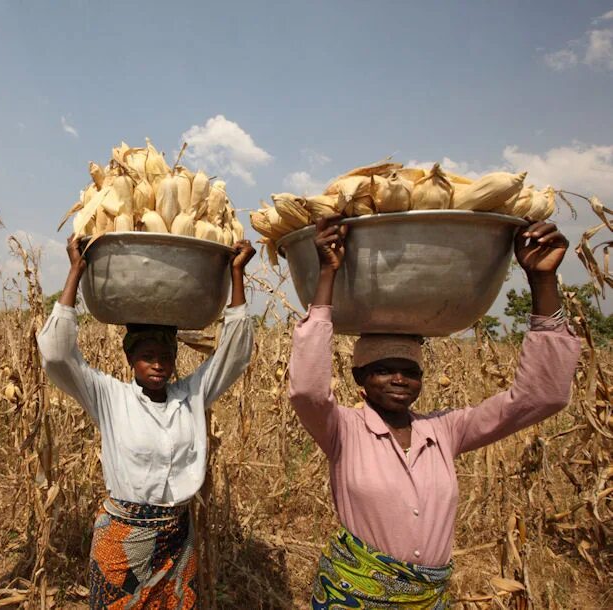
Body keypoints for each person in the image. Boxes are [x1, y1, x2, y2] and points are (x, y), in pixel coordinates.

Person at [288, 217, 581, 608]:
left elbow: (539, 395)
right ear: (359, 378)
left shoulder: (444, 430)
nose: (398, 380)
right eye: (383, 370)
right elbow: (307, 389)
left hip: (428, 598)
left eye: (410, 372)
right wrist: (328, 271)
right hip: (353, 594)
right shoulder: (343, 429)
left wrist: (541, 281)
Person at [37, 236, 256, 609]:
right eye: (147, 356)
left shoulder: (192, 395)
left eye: (165, 356)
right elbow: (57, 354)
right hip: (123, 539)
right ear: (131, 360)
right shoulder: (109, 397)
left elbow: (234, 355)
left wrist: (237, 275)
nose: (158, 364)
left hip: (177, 535)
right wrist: (76, 271)